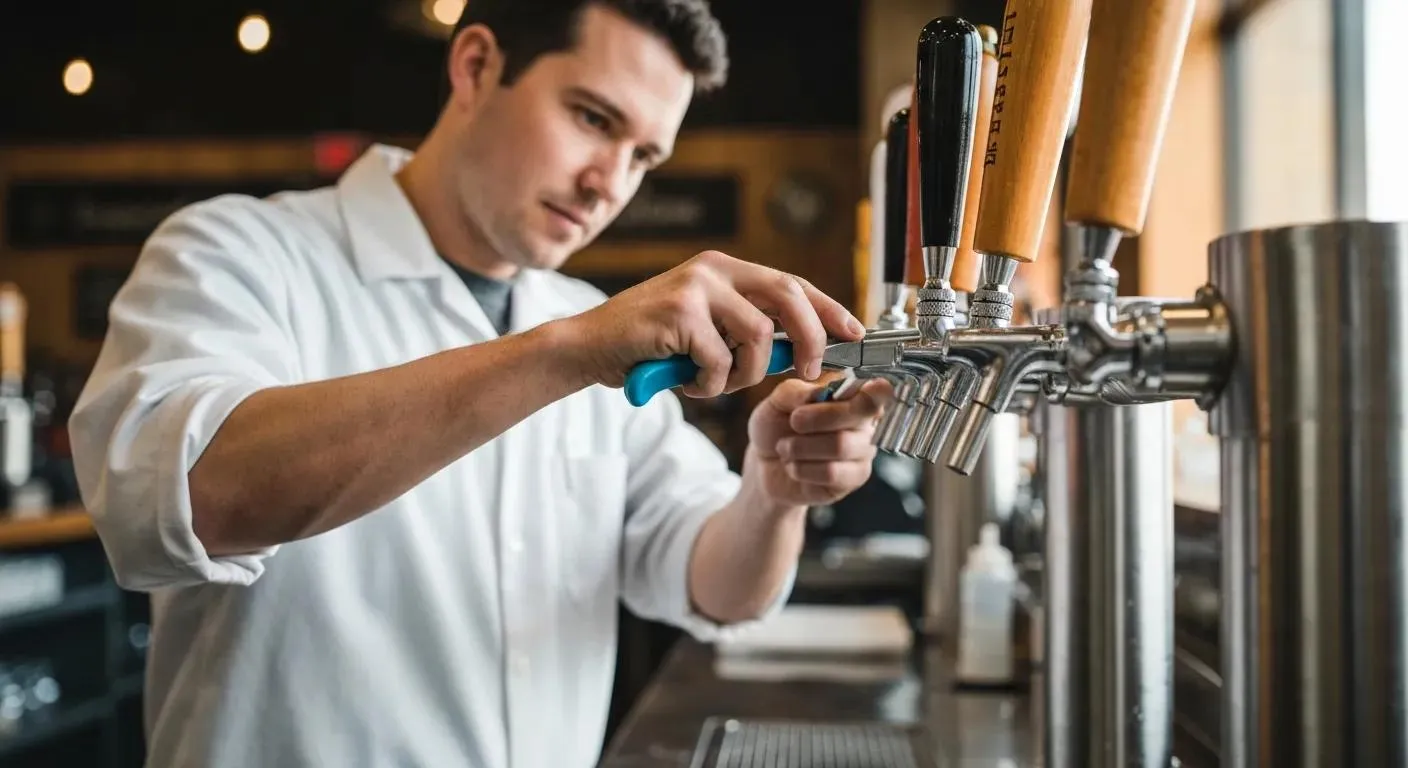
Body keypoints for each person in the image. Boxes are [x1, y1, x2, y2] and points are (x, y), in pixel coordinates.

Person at [68, 1, 891, 766]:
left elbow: (711, 583)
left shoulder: (583, 320)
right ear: (473, 66)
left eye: (643, 154)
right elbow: (195, 497)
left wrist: (773, 493)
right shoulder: (236, 252)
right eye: (592, 118)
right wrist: (566, 352)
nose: (610, 182)